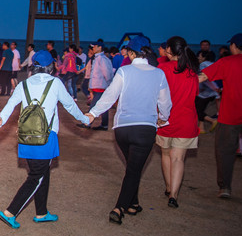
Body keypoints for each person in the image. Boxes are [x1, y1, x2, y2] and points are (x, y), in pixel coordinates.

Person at [0, 50, 90, 229]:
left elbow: (9, 106)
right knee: (36, 177)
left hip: (26, 137)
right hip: (45, 138)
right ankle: (10, 212)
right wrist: (85, 119)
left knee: (42, 174)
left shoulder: (23, 85)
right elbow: (69, 105)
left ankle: (42, 212)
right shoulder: (55, 83)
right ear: (50, 67)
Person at [86, 36, 171, 225]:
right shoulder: (158, 74)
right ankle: (119, 207)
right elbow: (165, 103)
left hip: (122, 129)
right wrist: (162, 120)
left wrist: (93, 114)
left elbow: (109, 96)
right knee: (134, 169)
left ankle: (133, 204)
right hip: (145, 129)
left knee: (133, 167)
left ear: (132, 53)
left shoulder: (124, 71)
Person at [199, 33, 242, 198]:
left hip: (230, 115)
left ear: (235, 46)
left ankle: (225, 188)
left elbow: (203, 77)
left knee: (224, 151)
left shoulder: (226, 62)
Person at [156, 37, 200, 208]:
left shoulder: (162, 69)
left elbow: (157, 95)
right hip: (186, 120)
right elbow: (195, 94)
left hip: (165, 120)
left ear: (168, 50)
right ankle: (173, 195)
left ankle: (168, 187)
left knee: (166, 155)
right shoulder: (192, 71)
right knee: (178, 159)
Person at [79, 40, 112, 130]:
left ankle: (87, 123)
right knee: (102, 106)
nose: (93, 48)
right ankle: (103, 125)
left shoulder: (102, 59)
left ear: (99, 47)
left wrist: (109, 86)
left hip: (101, 87)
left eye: (94, 46)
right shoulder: (97, 58)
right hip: (98, 87)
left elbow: (107, 74)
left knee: (94, 106)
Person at [195, 50, 219, 133]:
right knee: (200, 109)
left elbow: (206, 79)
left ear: (204, 58)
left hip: (204, 94)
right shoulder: (213, 64)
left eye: (200, 56)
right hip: (212, 93)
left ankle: (212, 120)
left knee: (197, 110)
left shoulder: (203, 65)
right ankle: (201, 128)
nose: (198, 58)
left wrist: (214, 87)